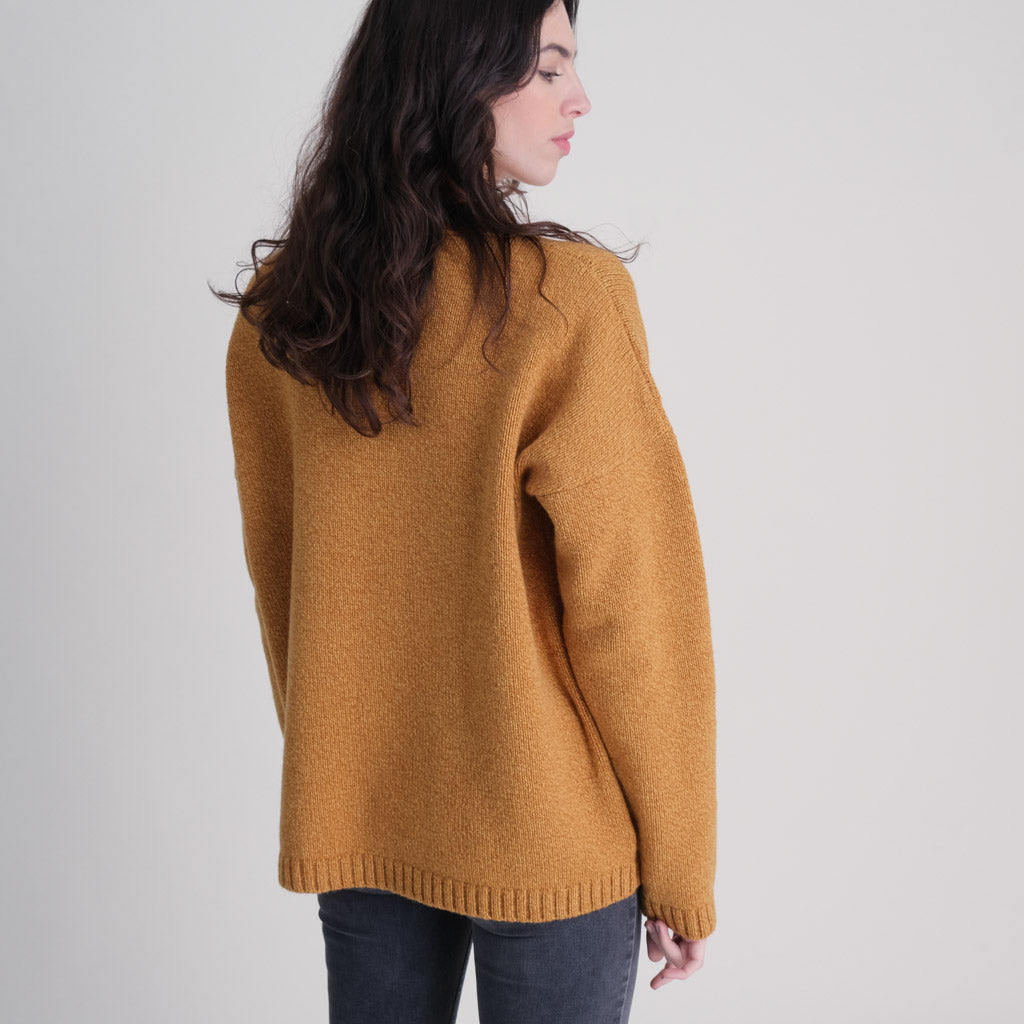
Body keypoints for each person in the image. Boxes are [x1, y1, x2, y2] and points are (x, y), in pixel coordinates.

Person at [214, 0, 718, 1020]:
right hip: (549, 831)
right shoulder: (564, 301)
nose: (579, 98)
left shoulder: (291, 310)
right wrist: (680, 864)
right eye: (548, 69)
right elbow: (634, 610)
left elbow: (285, 581)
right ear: (458, 77)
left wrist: (344, 760)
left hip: (364, 816)